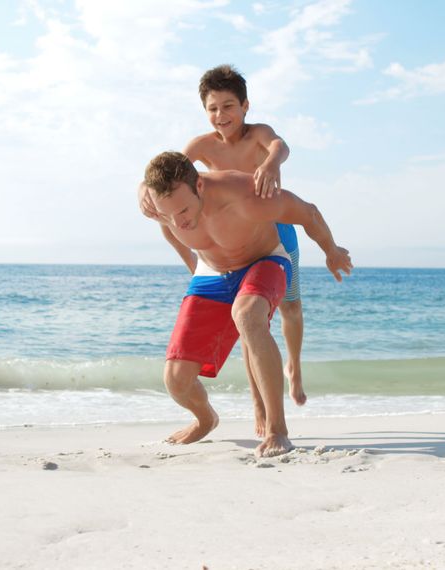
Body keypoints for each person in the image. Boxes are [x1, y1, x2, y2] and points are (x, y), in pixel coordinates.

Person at [142, 151, 352, 457]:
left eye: (184, 210)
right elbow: (177, 237)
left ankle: (277, 429)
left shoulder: (246, 196)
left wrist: (331, 252)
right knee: (175, 381)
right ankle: (206, 419)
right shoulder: (162, 207)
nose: (179, 221)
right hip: (212, 272)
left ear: (199, 186)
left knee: (247, 314)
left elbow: (309, 213)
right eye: (168, 214)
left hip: (264, 261)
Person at [139, 64, 309, 415]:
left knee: (291, 306)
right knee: (251, 320)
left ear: (245, 106)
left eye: (229, 106)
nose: (221, 115)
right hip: (230, 239)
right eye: (213, 108)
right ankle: (259, 404)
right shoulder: (202, 145)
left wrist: (273, 163)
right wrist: (143, 188)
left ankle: (294, 367)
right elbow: (168, 171)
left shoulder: (258, 134)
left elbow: (280, 145)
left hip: (274, 228)